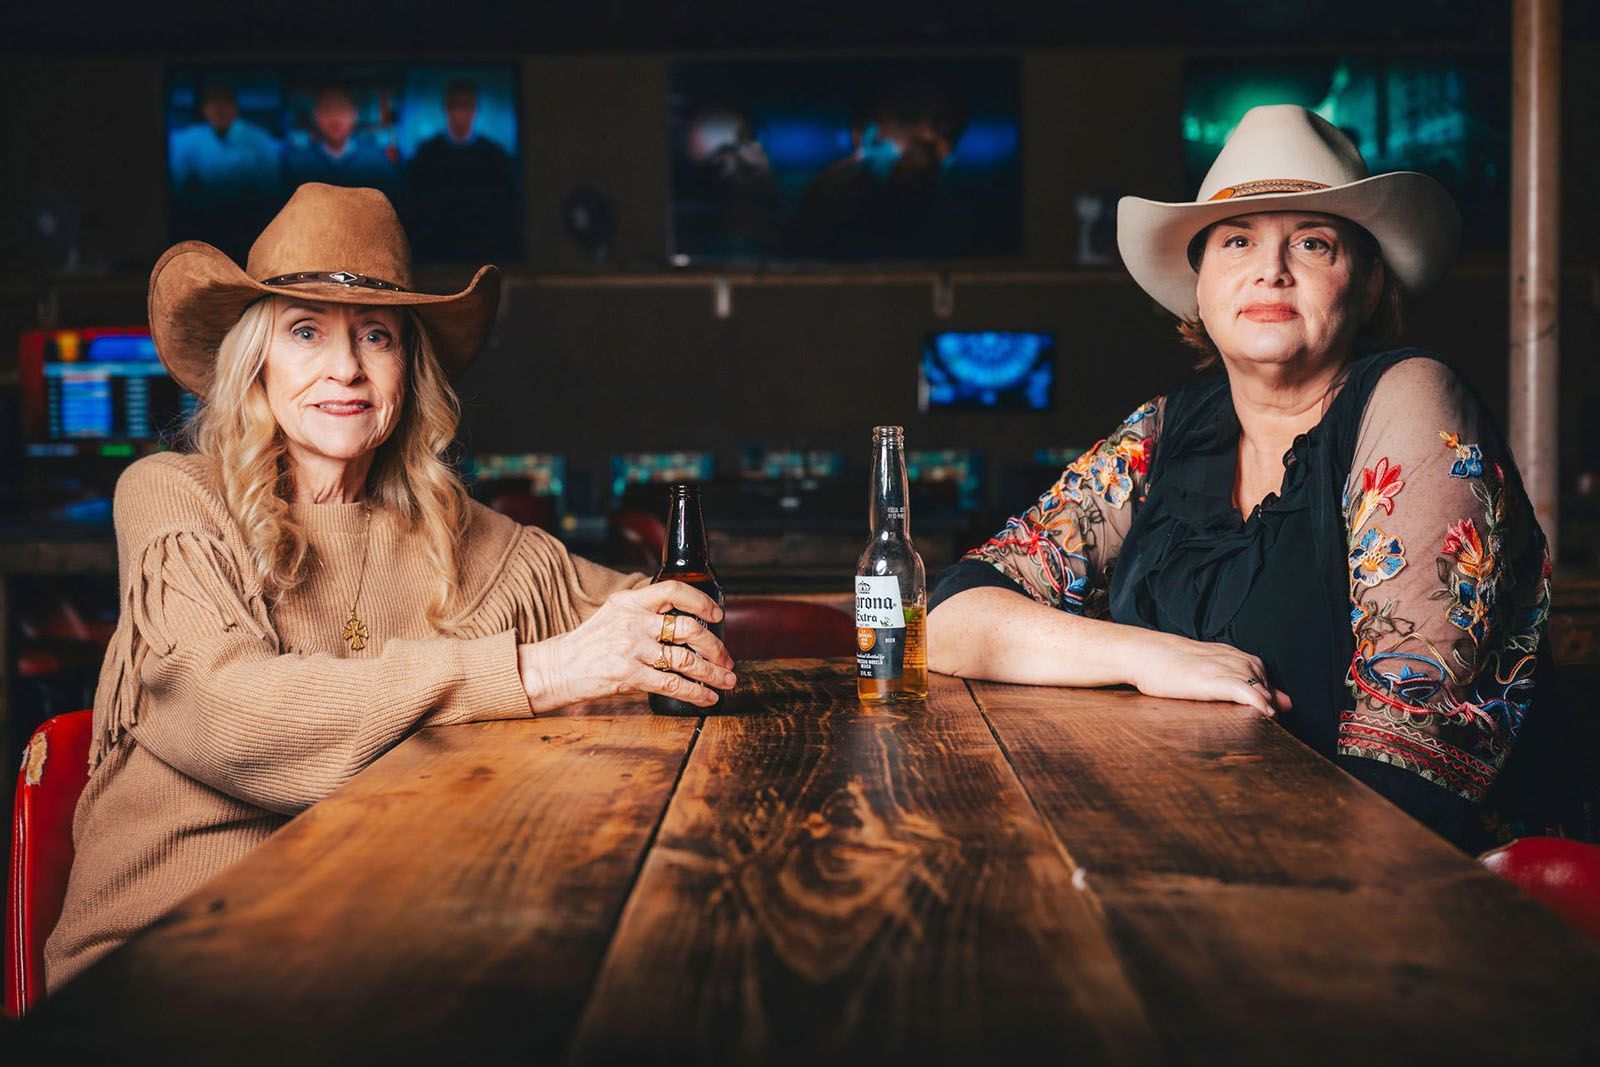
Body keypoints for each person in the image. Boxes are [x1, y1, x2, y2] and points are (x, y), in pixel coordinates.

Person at [45, 183, 736, 990]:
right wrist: (538, 673)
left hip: (368, 941)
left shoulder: (466, 536)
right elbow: (229, 713)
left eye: (376, 335)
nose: (346, 368)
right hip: (162, 960)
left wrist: (673, 640)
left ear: (409, 366)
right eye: (306, 332)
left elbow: (665, 626)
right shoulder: (173, 495)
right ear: (255, 358)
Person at [928, 105, 1582, 852]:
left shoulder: (1409, 397)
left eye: (1312, 242)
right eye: (1238, 240)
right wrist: (1149, 657)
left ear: (1367, 286)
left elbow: (1408, 780)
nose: (1271, 269)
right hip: (1207, 847)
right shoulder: (1169, 429)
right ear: (1200, 289)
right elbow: (952, 613)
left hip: (1421, 892)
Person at [406, 78, 519, 262]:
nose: (460, 112)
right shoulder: (426, 154)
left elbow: (504, 217)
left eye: (465, 106)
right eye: (455, 105)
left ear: (474, 110)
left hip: (484, 254)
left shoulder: (495, 157)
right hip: (434, 255)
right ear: (446, 109)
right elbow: (415, 212)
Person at [282, 86, 397, 193]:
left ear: (355, 114)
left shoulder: (376, 162)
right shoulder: (297, 164)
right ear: (315, 115)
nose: (335, 118)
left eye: (342, 109)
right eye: (328, 109)